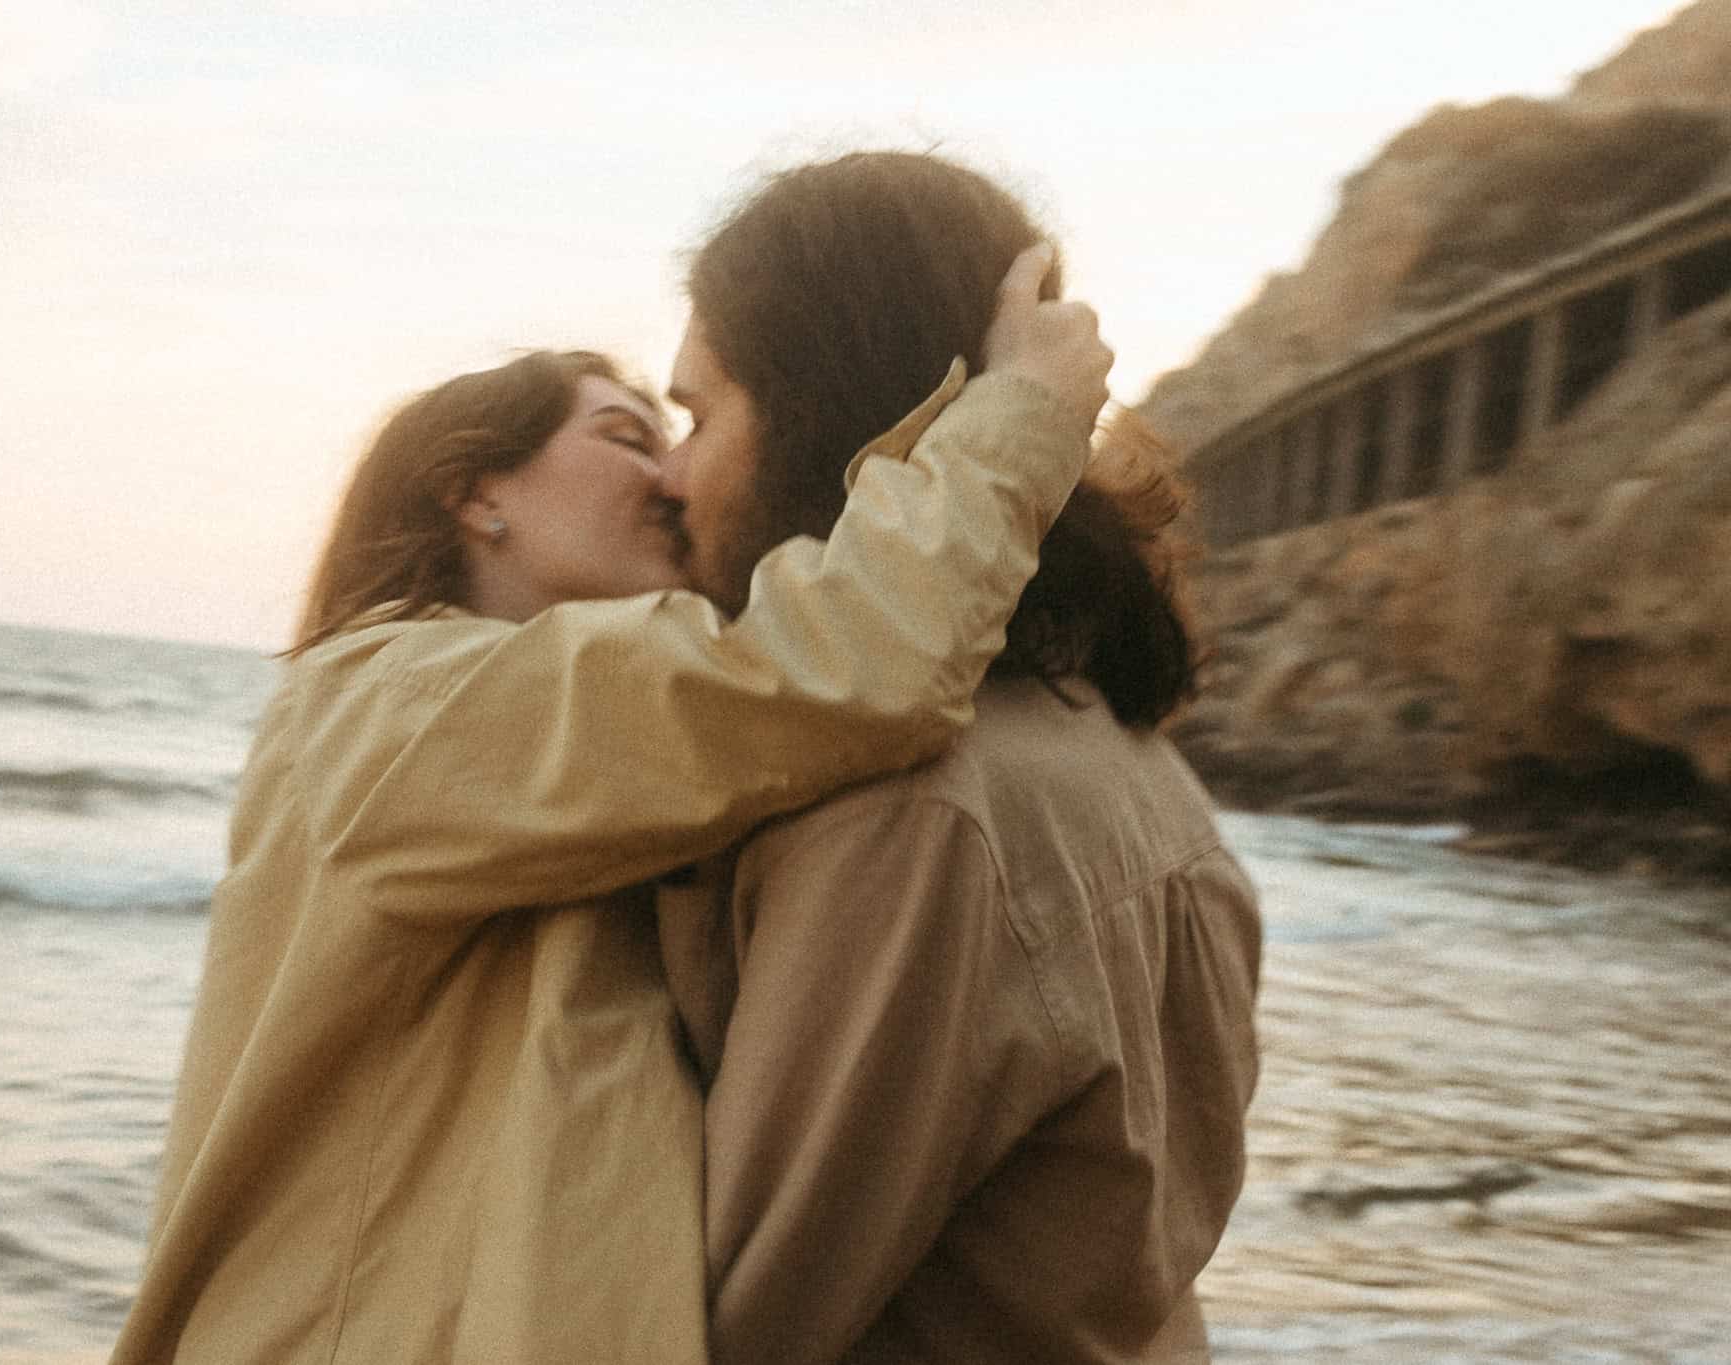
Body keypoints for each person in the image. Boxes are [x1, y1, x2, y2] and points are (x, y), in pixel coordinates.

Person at [109, 252, 1114, 1364]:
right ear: (474, 492)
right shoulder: (397, 703)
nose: (671, 479)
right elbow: (847, 655)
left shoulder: (586, 752)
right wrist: (1023, 414)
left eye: (681, 433)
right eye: (627, 437)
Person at [653, 150, 1263, 1364]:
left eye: (695, 416)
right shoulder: (1131, 755)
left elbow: (720, 1318)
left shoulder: (914, 816)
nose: (667, 479)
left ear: (823, 417)